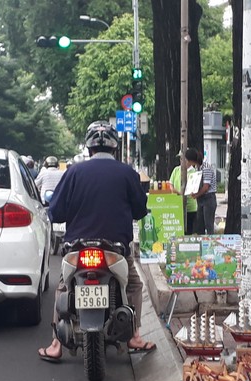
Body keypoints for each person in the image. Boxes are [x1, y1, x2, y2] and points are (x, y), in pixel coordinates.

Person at [37, 121, 156, 361]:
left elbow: (56, 212)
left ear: (89, 148)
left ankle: (56, 344)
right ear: (114, 148)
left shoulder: (73, 172)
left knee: (63, 286)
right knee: (133, 285)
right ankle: (134, 336)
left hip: (77, 247)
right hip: (116, 249)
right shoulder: (127, 173)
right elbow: (141, 210)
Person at [169, 147, 200, 234]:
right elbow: (170, 184)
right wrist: (175, 191)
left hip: (190, 207)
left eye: (182, 158)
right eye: (180, 158)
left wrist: (180, 193)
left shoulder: (194, 173)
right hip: (176, 205)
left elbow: (192, 191)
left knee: (189, 230)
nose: (181, 160)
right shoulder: (176, 170)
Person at [191, 154, 217, 234]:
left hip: (208, 197)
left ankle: (211, 242)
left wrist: (196, 195)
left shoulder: (206, 168)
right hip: (201, 199)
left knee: (208, 223)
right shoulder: (198, 169)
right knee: (200, 223)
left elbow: (206, 187)